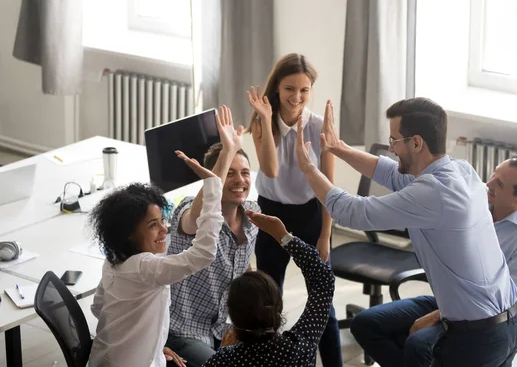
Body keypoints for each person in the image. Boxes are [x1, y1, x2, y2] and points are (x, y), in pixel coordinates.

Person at [294, 97, 517, 366]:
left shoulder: (435, 193)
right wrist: (339, 148)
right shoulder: (461, 171)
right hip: (508, 323)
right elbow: (394, 174)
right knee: (370, 325)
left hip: (479, 336)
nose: (391, 147)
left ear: (416, 142)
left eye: (394, 140)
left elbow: (351, 212)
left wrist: (309, 169)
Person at [350, 154, 517, 367]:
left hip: (480, 319)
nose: (487, 184)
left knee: (418, 343)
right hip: (447, 301)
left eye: (499, 184)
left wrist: (434, 317)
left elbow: (500, 303)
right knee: (365, 324)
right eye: (493, 174)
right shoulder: (475, 201)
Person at [245, 53, 342, 366]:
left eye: (304, 90)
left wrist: (326, 235)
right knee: (266, 300)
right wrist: (263, 117)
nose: (296, 97)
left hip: (309, 215)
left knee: (322, 301)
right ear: (277, 87)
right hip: (271, 212)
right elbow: (270, 171)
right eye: (289, 89)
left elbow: (327, 186)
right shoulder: (263, 121)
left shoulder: (317, 127)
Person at [88, 155, 223, 366]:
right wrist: (213, 186)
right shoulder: (146, 267)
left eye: (163, 220)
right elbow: (203, 254)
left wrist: (153, 343)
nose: (164, 229)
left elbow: (98, 307)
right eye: (153, 225)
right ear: (130, 233)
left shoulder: (114, 259)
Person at [165, 105, 260, 366]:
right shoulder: (188, 211)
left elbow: (241, 266)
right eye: (229, 173)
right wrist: (227, 151)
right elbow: (197, 219)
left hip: (221, 328)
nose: (239, 180)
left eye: (244, 172)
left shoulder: (252, 215)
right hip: (181, 330)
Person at [203, 209, 335, 367]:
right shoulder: (299, 347)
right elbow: (324, 280)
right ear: (279, 306)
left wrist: (224, 351)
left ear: (232, 315)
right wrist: (284, 236)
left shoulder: (223, 361)